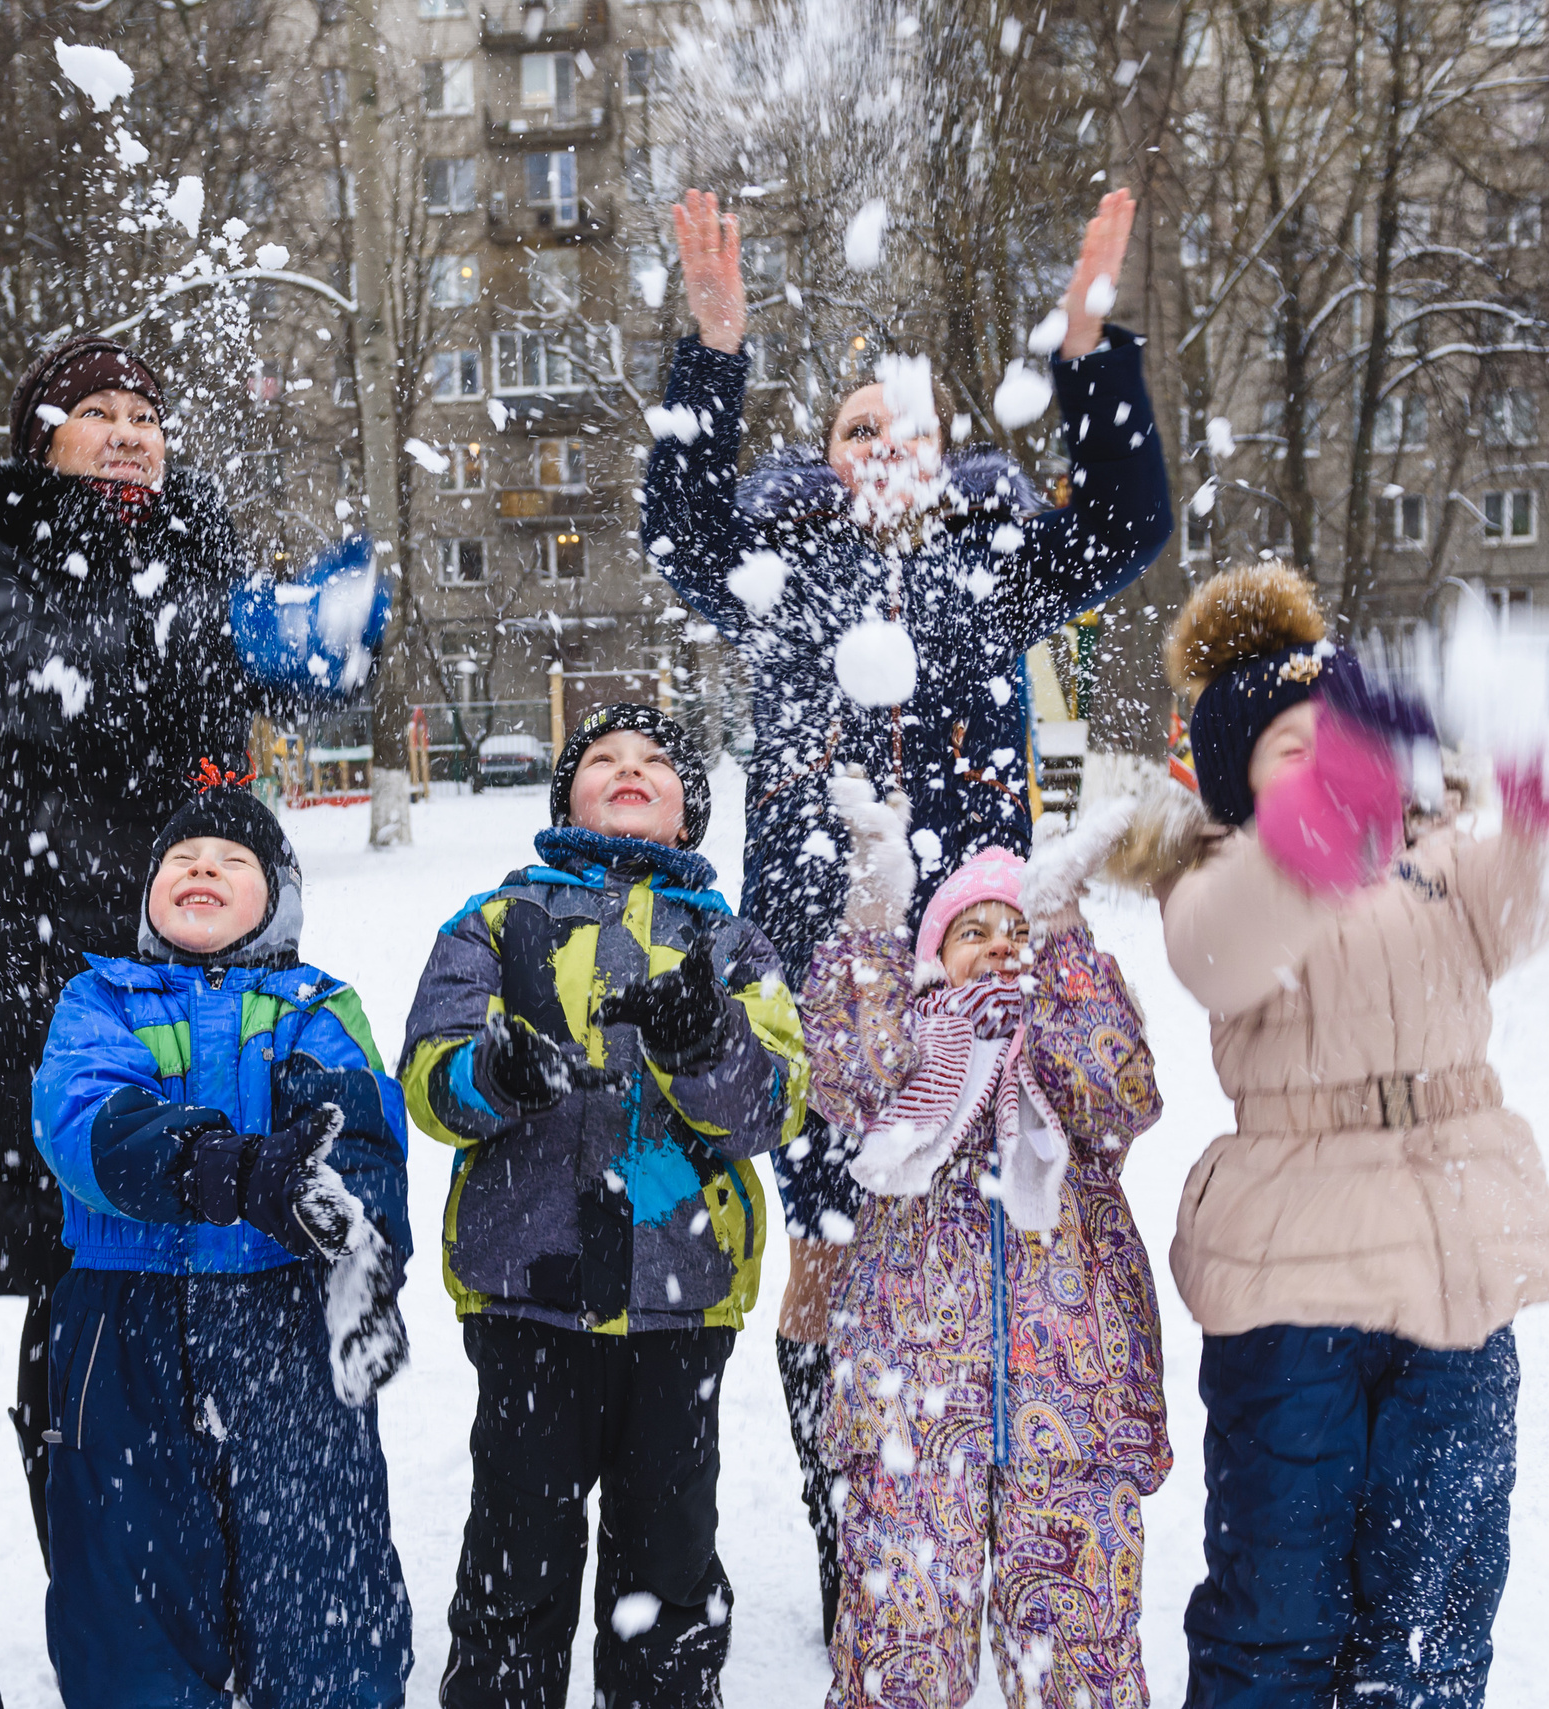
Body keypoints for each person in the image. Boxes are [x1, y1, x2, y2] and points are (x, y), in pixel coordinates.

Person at [642, 187, 1173, 1634]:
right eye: (860, 431)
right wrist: (712, 352)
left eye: (912, 430)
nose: (887, 449)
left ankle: (978, 1523)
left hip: (968, 980)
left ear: (950, 455)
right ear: (829, 463)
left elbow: (1131, 517)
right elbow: (679, 527)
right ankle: (855, 1538)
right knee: (827, 1259)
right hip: (825, 987)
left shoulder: (995, 566)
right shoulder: (785, 574)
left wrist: (1088, 354)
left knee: (963, 1251)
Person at [1143, 563, 1549, 1707]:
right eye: (1293, 752)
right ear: (1236, 784)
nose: (1332, 771)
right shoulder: (1221, 880)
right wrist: (1333, 809)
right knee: (1279, 1595)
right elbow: (1224, 950)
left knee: (1430, 1605)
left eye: (1346, 741)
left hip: (1460, 1253)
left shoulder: (1441, 868)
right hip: (1292, 1280)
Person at [0, 335, 386, 1560]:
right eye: (98, 411)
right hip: (57, 978)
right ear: (44, 440)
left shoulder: (197, 559)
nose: (131, 429)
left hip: (219, 973)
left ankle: (236, 1577)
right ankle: (113, 1578)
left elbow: (265, 685)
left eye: (147, 411)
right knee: (81, 1294)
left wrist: (324, 645)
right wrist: (227, 631)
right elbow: (46, 682)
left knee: (229, 1247)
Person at [399, 704, 809, 1709]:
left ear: (687, 809)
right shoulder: (496, 921)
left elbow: (775, 1103)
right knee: (515, 1557)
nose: (630, 768)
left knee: (667, 1564)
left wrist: (701, 1047)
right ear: (565, 794)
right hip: (527, 1290)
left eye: (656, 761)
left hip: (682, 1294)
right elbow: (427, 1079)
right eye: (603, 758)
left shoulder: (726, 939)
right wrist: (496, 1072)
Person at [30, 781, 414, 1709]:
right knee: (131, 1591)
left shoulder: (316, 1007)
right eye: (181, 859)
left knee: (321, 1577)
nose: (203, 866)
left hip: (289, 1325)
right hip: (125, 1334)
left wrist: (349, 1223)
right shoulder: (100, 998)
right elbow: (83, 1119)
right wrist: (227, 1169)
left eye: (233, 860)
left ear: (277, 896)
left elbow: (361, 1124)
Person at [800, 782, 1167, 1708]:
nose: (1003, 945)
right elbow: (844, 1071)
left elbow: (1120, 1090)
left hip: (1073, 1413)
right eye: (976, 931)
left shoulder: (1064, 1037)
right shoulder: (910, 1059)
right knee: (902, 1652)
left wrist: (1067, 934)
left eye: (1019, 930)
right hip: (913, 1420)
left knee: (1080, 1654)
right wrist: (877, 918)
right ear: (934, 962)